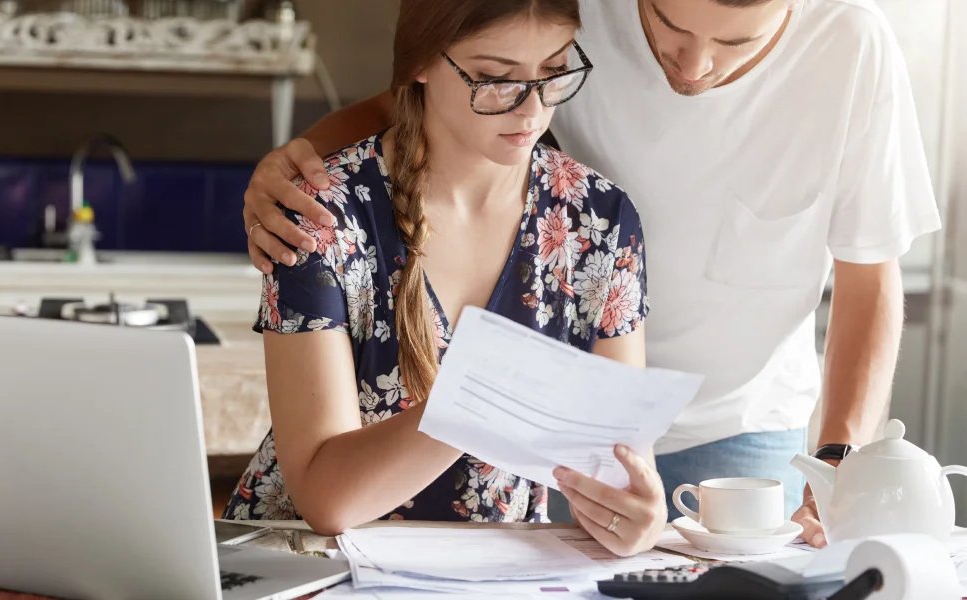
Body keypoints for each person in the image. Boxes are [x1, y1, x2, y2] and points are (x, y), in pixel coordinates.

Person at [240, 0, 940, 548]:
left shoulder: (598, 220)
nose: (695, 66)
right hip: (340, 535)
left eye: (735, 44)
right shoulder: (329, 217)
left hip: (729, 420)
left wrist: (838, 457)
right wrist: (299, 156)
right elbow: (426, 89)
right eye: (670, 25)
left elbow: (869, 281)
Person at [224, 0, 667, 556]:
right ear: (422, 63)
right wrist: (487, 397)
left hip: (492, 574)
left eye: (553, 72)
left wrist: (636, 517)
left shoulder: (599, 219)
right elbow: (325, 499)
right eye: (495, 78)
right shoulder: (322, 217)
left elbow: (620, 467)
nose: (531, 110)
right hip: (303, 567)